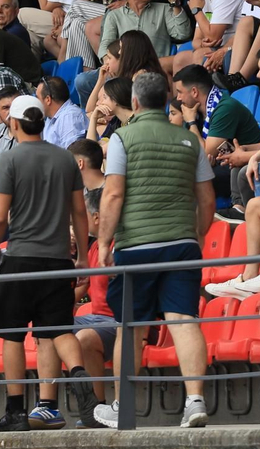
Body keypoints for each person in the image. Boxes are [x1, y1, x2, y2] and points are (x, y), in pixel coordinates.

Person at [93, 72, 216, 429]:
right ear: (167, 101)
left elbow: (113, 193)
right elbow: (207, 200)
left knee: (130, 326)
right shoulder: (190, 141)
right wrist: (195, 233)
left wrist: (103, 241)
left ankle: (122, 408)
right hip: (182, 244)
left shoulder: (122, 137)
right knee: (183, 319)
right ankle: (195, 402)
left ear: (134, 102)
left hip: (137, 248)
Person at [0, 95, 96, 431]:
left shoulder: (10, 158)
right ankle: (83, 389)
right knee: (59, 329)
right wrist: (81, 256)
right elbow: (79, 212)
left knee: (13, 334)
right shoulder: (65, 159)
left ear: (14, 123)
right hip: (57, 259)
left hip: (20, 258)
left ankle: (16, 412)